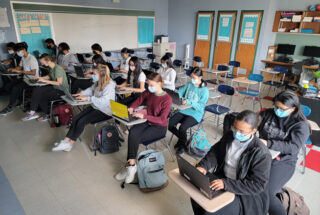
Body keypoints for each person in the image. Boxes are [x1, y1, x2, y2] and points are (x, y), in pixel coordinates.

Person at [192, 110, 272, 215]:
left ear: (253, 131)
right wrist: (203, 166)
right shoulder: (230, 135)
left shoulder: (262, 154)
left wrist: (226, 184)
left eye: (242, 131)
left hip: (242, 191)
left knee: (210, 212)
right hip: (223, 178)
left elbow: (257, 185)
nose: (237, 133)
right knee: (195, 195)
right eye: (235, 128)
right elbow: (216, 152)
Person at [258, 90, 311, 215]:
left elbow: (293, 147)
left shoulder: (301, 125)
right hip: (264, 155)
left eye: (281, 108)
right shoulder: (268, 114)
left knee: (267, 193)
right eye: (276, 106)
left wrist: (268, 143)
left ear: (292, 109)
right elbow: (255, 122)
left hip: (284, 161)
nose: (277, 110)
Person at [115, 73, 172, 183]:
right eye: (148, 84)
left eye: (151, 84)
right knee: (132, 132)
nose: (149, 87)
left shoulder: (167, 99)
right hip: (147, 121)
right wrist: (132, 107)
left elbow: (161, 119)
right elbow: (139, 100)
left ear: (159, 83)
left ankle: (130, 166)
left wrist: (144, 116)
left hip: (159, 127)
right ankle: (131, 165)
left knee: (135, 137)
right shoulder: (149, 92)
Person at [52, 64, 115, 152]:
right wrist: (82, 93)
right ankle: (65, 141)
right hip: (96, 107)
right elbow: (91, 89)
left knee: (82, 121)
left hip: (105, 111)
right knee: (76, 118)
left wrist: (88, 98)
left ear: (101, 74)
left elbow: (105, 101)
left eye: (94, 74)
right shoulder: (98, 81)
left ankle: (70, 143)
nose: (92, 75)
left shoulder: (109, 85)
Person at [168, 67, 209, 154]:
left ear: (200, 77)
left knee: (182, 128)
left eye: (194, 78)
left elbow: (200, 107)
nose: (192, 79)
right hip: (184, 110)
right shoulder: (189, 84)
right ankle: (183, 139)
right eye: (191, 77)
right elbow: (180, 92)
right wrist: (176, 96)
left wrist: (189, 101)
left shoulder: (204, 91)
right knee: (170, 124)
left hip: (195, 113)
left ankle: (182, 145)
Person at [21, 54, 69, 121]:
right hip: (55, 88)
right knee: (37, 90)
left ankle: (43, 113)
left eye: (42, 62)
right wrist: (40, 78)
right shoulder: (51, 67)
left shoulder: (58, 69)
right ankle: (35, 112)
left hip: (62, 91)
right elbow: (49, 76)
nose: (41, 63)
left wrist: (44, 81)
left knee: (41, 95)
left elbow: (59, 83)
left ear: (48, 60)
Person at [0, 42, 39, 115]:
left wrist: (19, 71)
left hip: (32, 80)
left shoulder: (31, 59)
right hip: (25, 79)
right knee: (9, 85)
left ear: (23, 50)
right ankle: (21, 100)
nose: (17, 53)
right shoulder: (23, 58)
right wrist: (13, 69)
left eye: (18, 51)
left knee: (16, 88)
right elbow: (19, 67)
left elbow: (33, 72)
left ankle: (10, 107)